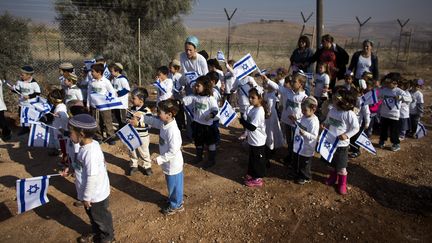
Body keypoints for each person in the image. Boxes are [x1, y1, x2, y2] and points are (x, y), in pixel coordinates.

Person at [61, 114, 114, 243]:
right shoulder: (86, 146)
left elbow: (92, 177)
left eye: (71, 131)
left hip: (95, 195)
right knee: (93, 217)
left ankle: (107, 237)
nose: (69, 134)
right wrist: (72, 168)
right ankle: (96, 233)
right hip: (88, 193)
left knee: (101, 217)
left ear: (82, 133)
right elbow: (81, 165)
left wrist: (86, 197)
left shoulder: (90, 152)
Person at [142, 99, 184, 216]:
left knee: (175, 185)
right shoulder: (165, 123)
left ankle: (177, 205)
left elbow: (173, 151)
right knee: (172, 185)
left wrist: (160, 159)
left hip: (173, 164)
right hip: (168, 163)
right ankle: (174, 199)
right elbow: (155, 122)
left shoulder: (173, 131)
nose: (157, 114)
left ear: (169, 114)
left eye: (159, 112)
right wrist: (142, 118)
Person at [323, 86, 359, 195]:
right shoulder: (332, 110)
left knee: (341, 166)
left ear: (343, 102)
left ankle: (342, 183)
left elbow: (355, 128)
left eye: (335, 99)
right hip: (330, 142)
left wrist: (347, 135)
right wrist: (324, 125)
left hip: (342, 145)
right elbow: (328, 121)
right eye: (333, 98)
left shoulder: (349, 114)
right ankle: (333, 178)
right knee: (331, 163)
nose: (333, 100)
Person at [183, 76, 219, 168]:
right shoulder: (195, 97)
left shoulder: (210, 98)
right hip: (197, 124)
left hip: (208, 126)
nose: (195, 87)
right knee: (198, 142)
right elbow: (185, 100)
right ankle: (199, 157)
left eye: (198, 85)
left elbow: (215, 109)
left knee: (211, 143)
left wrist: (211, 115)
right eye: (195, 85)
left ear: (205, 86)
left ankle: (211, 160)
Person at [180, 36, 209, 140]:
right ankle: (190, 134)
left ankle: (201, 135)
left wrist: (201, 89)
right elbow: (184, 72)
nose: (188, 52)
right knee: (189, 111)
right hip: (189, 87)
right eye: (186, 49)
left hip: (201, 88)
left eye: (190, 50)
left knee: (199, 111)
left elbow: (205, 77)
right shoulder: (182, 56)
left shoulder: (201, 60)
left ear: (195, 49)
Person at [239, 87, 268, 187]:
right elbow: (249, 122)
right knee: (252, 158)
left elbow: (252, 127)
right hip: (252, 140)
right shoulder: (252, 109)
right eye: (249, 97)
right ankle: (252, 173)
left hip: (258, 141)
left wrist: (243, 122)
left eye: (253, 97)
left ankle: (257, 178)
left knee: (257, 160)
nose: (250, 99)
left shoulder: (259, 111)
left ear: (260, 98)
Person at [378, 73, 410, 151]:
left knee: (394, 132)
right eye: (387, 82)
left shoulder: (399, 91)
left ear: (395, 83)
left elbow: (409, 99)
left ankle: (396, 143)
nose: (387, 84)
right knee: (383, 130)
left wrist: (401, 97)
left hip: (394, 115)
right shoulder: (384, 90)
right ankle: (382, 141)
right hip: (384, 114)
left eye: (390, 82)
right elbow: (378, 97)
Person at [87, 63, 116, 145]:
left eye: (93, 71)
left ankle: (110, 137)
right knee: (96, 122)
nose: (91, 73)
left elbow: (112, 92)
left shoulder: (106, 82)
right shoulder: (91, 82)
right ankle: (98, 136)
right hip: (94, 106)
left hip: (105, 107)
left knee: (107, 121)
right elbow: (89, 94)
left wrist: (109, 102)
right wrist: (88, 104)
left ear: (99, 72)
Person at [293, 96, 319, 184]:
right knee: (300, 160)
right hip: (301, 144)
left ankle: (306, 177)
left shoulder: (314, 121)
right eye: (302, 110)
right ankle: (299, 173)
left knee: (305, 163)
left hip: (308, 146)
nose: (303, 112)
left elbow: (314, 136)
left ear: (313, 109)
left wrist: (305, 133)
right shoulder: (304, 116)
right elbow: (301, 125)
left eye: (305, 110)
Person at [127, 87, 153, 176]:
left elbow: (149, 124)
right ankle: (134, 165)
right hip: (132, 134)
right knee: (132, 151)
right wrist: (129, 121)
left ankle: (147, 166)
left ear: (141, 100)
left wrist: (137, 124)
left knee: (144, 151)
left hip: (143, 136)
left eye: (134, 98)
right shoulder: (131, 109)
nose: (132, 100)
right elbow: (127, 118)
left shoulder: (146, 110)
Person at [261, 74, 285, 162]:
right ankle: (269, 147)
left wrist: (267, 113)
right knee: (268, 130)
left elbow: (270, 107)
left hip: (270, 115)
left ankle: (270, 149)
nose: (264, 85)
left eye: (266, 83)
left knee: (270, 131)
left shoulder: (271, 95)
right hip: (267, 114)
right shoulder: (267, 93)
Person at [11, 65, 41, 135]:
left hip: (31, 104)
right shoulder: (19, 82)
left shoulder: (34, 83)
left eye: (22, 75)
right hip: (22, 103)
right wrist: (13, 89)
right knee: (22, 116)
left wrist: (29, 96)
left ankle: (33, 129)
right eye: (21, 75)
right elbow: (18, 90)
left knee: (30, 116)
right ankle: (25, 129)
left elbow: (38, 93)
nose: (21, 76)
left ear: (29, 75)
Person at [47, 89, 69, 163]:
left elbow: (64, 117)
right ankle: (65, 158)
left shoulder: (60, 108)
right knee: (63, 146)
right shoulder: (60, 106)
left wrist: (64, 128)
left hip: (62, 131)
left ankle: (66, 161)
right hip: (60, 130)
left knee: (64, 147)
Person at [348, 87, 371, 158]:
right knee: (350, 136)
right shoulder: (350, 99)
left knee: (356, 137)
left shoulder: (363, 101)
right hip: (350, 122)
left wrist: (367, 122)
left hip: (358, 123)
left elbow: (366, 113)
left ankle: (356, 151)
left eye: (356, 92)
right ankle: (352, 148)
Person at [109, 63, 130, 130]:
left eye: (112, 71)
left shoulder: (123, 79)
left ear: (117, 71)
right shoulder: (113, 79)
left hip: (122, 103)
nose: (111, 73)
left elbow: (127, 89)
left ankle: (124, 130)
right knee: (117, 116)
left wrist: (118, 93)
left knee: (122, 118)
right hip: (115, 102)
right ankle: (121, 129)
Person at [169, 59, 185, 130]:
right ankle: (178, 124)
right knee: (175, 110)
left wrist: (178, 92)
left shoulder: (179, 76)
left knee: (180, 110)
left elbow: (182, 86)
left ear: (176, 68)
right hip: (173, 95)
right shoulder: (171, 75)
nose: (170, 69)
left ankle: (181, 125)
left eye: (171, 68)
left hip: (179, 95)